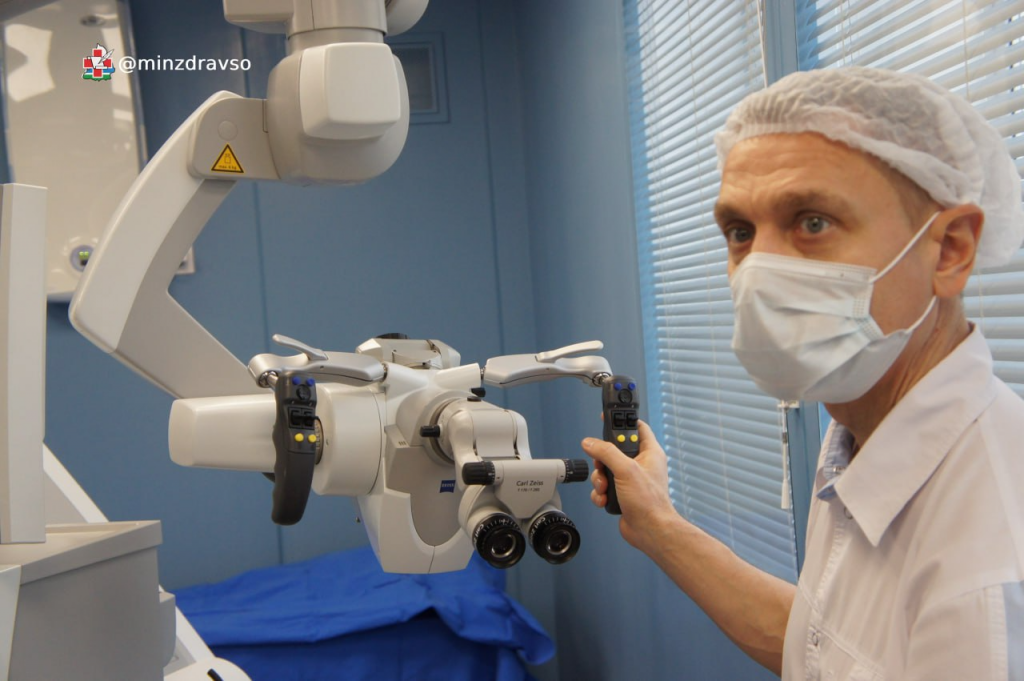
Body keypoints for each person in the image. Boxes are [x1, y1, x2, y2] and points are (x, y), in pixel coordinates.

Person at [582, 66, 1024, 679]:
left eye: (812, 222)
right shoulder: (864, 428)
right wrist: (658, 525)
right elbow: (828, 645)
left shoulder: (988, 569)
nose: (758, 272)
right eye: (740, 232)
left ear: (950, 250)